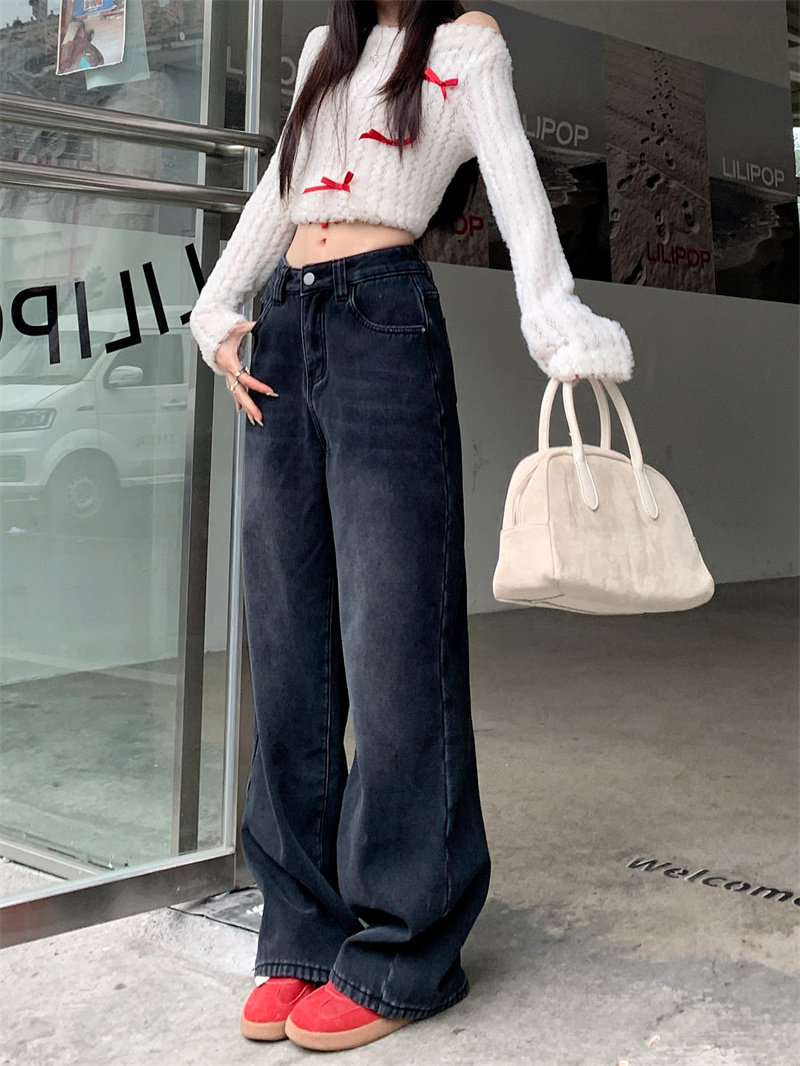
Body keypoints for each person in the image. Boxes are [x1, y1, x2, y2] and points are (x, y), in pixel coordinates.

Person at [189, 0, 633, 1052]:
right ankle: (301, 931)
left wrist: (557, 322)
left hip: (383, 320)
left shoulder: (465, 45)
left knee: (395, 639)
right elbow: (280, 189)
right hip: (283, 330)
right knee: (288, 644)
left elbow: (519, 191)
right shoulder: (322, 50)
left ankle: (406, 947)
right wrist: (217, 312)